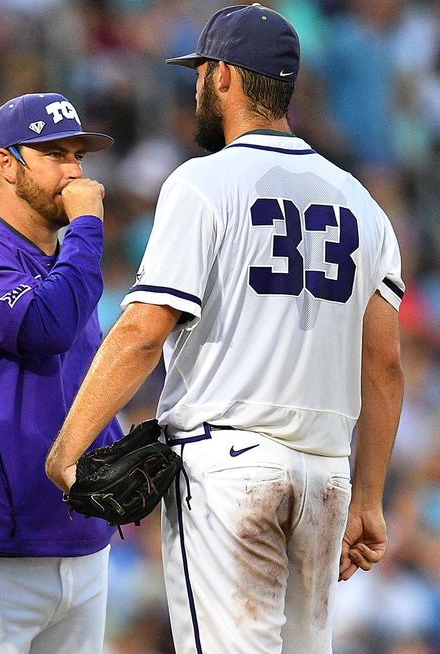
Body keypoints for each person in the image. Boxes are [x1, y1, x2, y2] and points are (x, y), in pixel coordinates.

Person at [46, 5, 404, 654]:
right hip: (325, 475)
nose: (196, 86)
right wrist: (370, 498)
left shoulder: (203, 183)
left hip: (229, 467)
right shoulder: (362, 202)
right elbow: (382, 364)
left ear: (224, 78)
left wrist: (67, 447)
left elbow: (143, 331)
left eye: (200, 72)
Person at [0, 92, 123, 654]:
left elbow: (78, 377)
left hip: (84, 543)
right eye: (55, 154)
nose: (74, 172)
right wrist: (87, 226)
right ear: (6, 165)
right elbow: (46, 327)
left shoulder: (68, 263)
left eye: (78, 157)